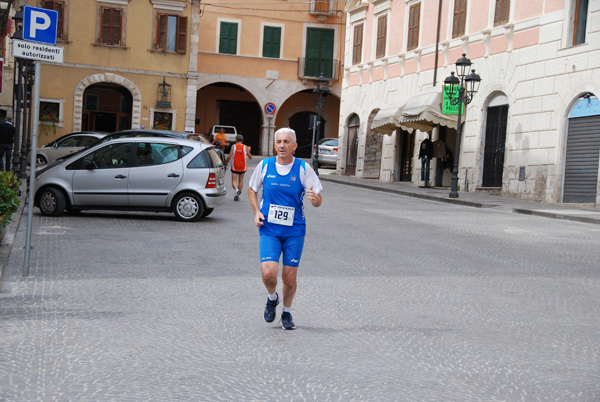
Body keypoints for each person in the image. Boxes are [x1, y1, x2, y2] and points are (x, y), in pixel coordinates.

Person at [248, 127, 322, 330]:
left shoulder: (303, 169)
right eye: (279, 142)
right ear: (274, 145)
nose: (282, 145)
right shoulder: (264, 165)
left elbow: (317, 199)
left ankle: (287, 313)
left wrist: (316, 200)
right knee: (269, 273)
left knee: (289, 277)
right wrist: (256, 211)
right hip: (269, 228)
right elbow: (252, 189)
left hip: (294, 231)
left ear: (295, 146)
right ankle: (272, 298)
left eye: (286, 142)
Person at [225, 134, 252, 201]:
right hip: (243, 166)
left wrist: (225, 163)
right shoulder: (245, 147)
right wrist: (249, 151)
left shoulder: (233, 146)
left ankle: (236, 190)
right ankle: (238, 194)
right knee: (241, 180)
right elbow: (250, 157)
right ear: (242, 140)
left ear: (236, 140)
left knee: (234, 180)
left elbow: (229, 156)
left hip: (235, 165)